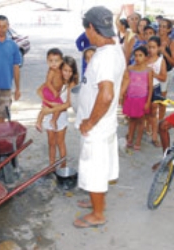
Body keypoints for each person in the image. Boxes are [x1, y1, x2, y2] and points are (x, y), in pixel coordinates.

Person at [74, 6, 126, 228]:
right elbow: (122, 83)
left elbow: (105, 95)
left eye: (87, 29)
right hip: (105, 122)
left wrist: (90, 121)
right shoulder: (115, 48)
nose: (87, 34)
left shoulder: (105, 57)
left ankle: (97, 214)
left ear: (92, 27)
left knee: (93, 168)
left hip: (97, 125)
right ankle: (97, 202)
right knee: (101, 165)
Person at [37, 56, 79, 168]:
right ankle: (51, 166)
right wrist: (47, 104)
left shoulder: (71, 84)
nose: (67, 73)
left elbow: (68, 104)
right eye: (65, 70)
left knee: (60, 143)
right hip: (49, 113)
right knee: (51, 143)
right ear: (61, 69)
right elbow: (39, 90)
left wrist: (51, 109)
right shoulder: (55, 79)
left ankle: (63, 167)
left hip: (61, 116)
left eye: (70, 71)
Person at [120, 46, 153, 150]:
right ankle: (130, 138)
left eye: (140, 55)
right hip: (131, 98)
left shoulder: (149, 70)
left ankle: (138, 140)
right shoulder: (130, 68)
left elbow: (150, 87)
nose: (137, 58)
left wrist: (148, 102)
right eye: (136, 55)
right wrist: (123, 97)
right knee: (132, 119)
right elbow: (126, 83)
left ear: (146, 57)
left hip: (142, 99)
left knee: (141, 121)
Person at [35, 48, 64, 132]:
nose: (53, 63)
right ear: (47, 61)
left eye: (56, 61)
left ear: (62, 61)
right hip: (49, 91)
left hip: (54, 92)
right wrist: (54, 91)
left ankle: (41, 122)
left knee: (52, 107)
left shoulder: (61, 70)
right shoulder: (52, 71)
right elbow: (48, 82)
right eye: (50, 61)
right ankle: (50, 121)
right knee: (58, 106)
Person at [147, 36, 167, 147]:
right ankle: (146, 130)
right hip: (144, 88)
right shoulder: (144, 59)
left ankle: (154, 136)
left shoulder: (161, 61)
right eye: (149, 47)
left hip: (155, 88)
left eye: (153, 47)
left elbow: (164, 77)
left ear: (158, 48)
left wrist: (153, 74)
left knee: (154, 112)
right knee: (147, 112)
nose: (151, 50)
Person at [157, 18, 174, 120]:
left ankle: (160, 121)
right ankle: (150, 123)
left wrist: (164, 52)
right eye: (160, 26)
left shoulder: (171, 43)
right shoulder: (154, 39)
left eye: (164, 27)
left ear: (169, 30)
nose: (161, 29)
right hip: (153, 73)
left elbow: (173, 62)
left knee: (162, 98)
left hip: (166, 73)